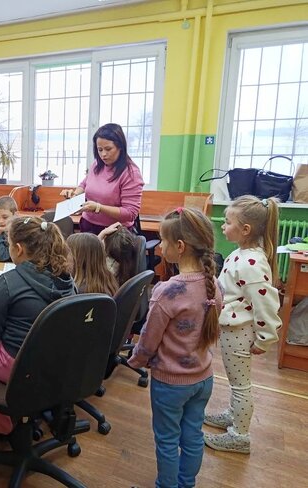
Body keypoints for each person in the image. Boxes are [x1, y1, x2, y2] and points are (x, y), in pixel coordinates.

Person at [127, 207, 222, 488]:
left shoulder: (166, 292)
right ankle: (186, 483)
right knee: (192, 436)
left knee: (167, 439)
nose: (160, 247)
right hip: (204, 378)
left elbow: (148, 340)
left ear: (179, 247)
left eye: (163, 241)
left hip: (171, 383)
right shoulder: (214, 284)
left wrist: (135, 361)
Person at [0, 216, 76, 434]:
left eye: (9, 244)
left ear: (18, 249)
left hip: (17, 365)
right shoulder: (67, 279)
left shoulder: (9, 281)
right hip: (55, 363)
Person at [203, 196, 282, 455]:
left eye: (227, 222)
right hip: (231, 330)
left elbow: (266, 304)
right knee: (235, 382)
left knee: (240, 385)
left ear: (245, 229)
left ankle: (240, 436)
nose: (223, 226)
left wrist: (265, 339)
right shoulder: (240, 254)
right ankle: (233, 415)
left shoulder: (252, 263)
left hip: (239, 332)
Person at [59, 123, 144, 234]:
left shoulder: (131, 173)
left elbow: (130, 213)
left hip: (115, 233)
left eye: (108, 149)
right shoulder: (97, 164)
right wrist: (74, 194)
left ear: (120, 147)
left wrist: (99, 208)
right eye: (100, 149)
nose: (103, 154)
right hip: (88, 225)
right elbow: (85, 184)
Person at [0, 196, 17, 262]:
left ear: (14, 214)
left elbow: (3, 257)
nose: (1, 221)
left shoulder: (18, 229)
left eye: (5, 217)